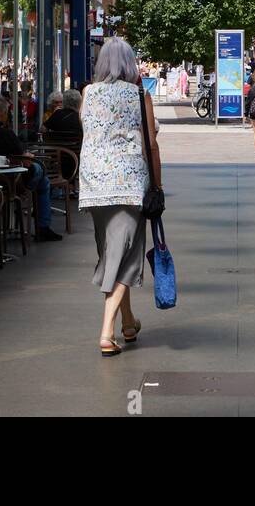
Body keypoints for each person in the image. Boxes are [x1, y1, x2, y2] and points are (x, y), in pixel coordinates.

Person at [79, 37, 162, 358]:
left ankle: (128, 322)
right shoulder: (141, 95)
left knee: (113, 251)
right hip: (129, 183)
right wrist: (159, 185)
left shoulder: (88, 93)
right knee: (126, 256)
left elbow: (88, 131)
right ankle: (105, 333)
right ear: (131, 64)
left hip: (95, 185)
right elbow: (151, 145)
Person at [0, 95, 61, 242]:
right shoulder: (6, 135)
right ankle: (42, 226)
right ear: (3, 114)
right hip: (10, 183)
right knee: (41, 175)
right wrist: (28, 156)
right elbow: (24, 161)